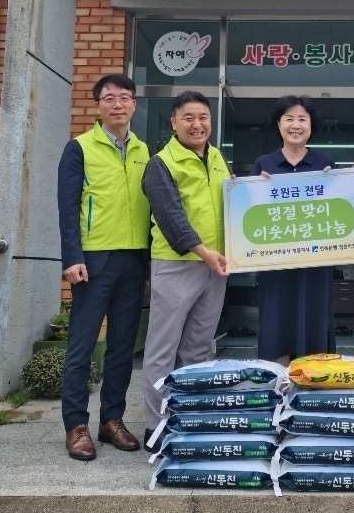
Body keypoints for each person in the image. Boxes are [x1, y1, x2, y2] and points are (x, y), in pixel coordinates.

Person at [57, 74, 151, 461]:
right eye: (109, 98)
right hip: (93, 260)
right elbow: (67, 207)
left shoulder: (145, 150)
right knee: (82, 344)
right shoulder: (79, 147)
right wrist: (72, 257)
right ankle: (75, 425)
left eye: (125, 97)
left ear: (133, 105)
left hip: (134, 258)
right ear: (97, 106)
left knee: (123, 347)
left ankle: (112, 420)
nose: (118, 104)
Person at [141, 90, 231, 450]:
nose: (198, 125)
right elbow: (170, 217)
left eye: (203, 118)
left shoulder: (217, 158)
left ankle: (188, 418)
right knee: (163, 349)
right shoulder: (161, 163)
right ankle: (157, 428)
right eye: (189, 118)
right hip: (177, 265)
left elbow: (233, 200)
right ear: (174, 123)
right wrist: (202, 251)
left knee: (196, 350)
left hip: (215, 268)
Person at [250, 95, 337, 365]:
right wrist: (247, 189)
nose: (295, 125)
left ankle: (311, 395)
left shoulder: (326, 164)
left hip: (316, 266)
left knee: (314, 328)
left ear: (311, 125)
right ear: (279, 124)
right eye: (289, 118)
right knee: (278, 326)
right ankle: (280, 390)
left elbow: (341, 211)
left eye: (302, 119)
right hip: (276, 267)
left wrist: (349, 178)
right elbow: (249, 216)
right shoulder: (264, 165)